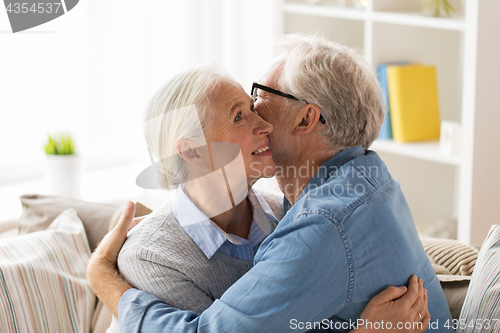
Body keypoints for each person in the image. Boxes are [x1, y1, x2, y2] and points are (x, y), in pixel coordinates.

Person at [89, 34, 452, 332]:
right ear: (194, 152)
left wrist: (101, 276)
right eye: (241, 113)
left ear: (306, 118)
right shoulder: (370, 180)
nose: (259, 120)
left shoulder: (316, 224)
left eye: (259, 97)